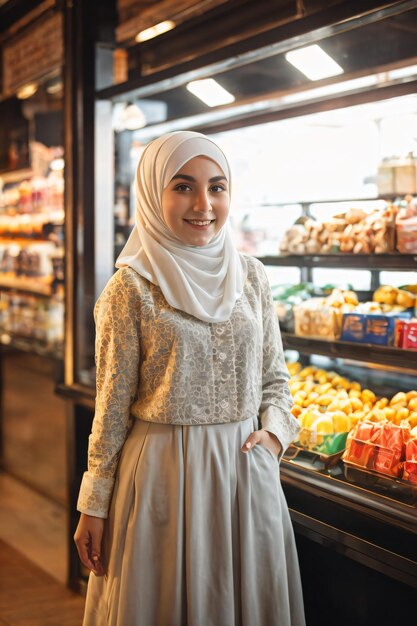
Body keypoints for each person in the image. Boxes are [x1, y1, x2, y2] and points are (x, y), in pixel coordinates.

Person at [74, 130, 306, 626]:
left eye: (217, 187)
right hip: (162, 481)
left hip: (245, 478)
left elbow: (276, 380)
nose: (204, 203)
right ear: (153, 195)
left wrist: (274, 437)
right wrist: (93, 502)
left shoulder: (252, 275)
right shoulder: (129, 289)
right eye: (182, 186)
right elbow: (110, 408)